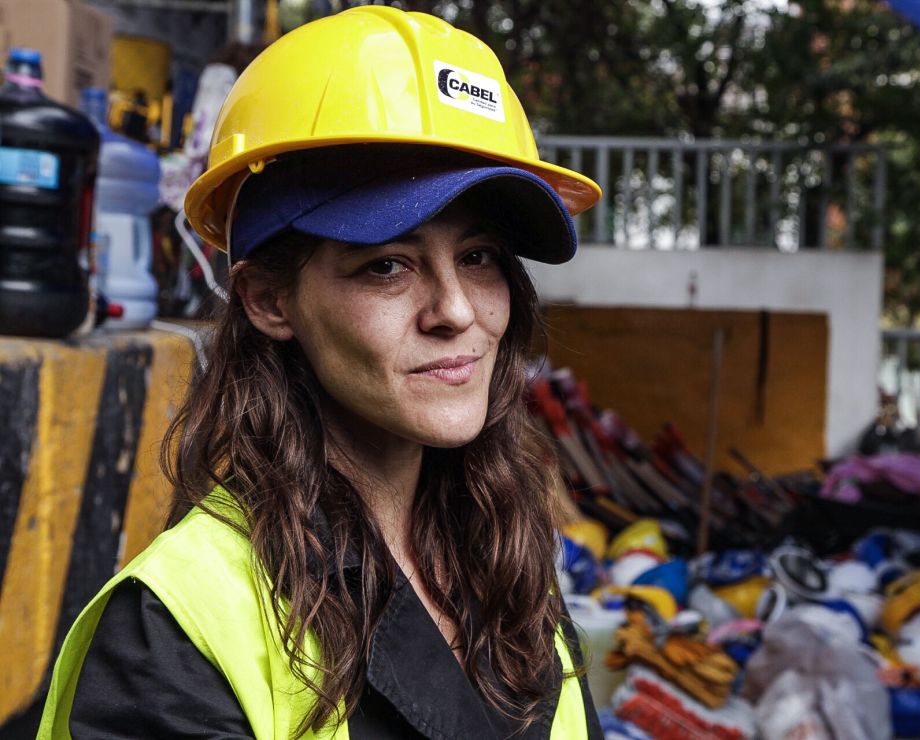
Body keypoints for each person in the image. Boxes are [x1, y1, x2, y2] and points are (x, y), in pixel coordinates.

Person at [38, 7, 603, 739]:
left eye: (479, 256)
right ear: (270, 300)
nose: (456, 310)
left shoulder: (505, 562)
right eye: (388, 265)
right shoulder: (176, 633)